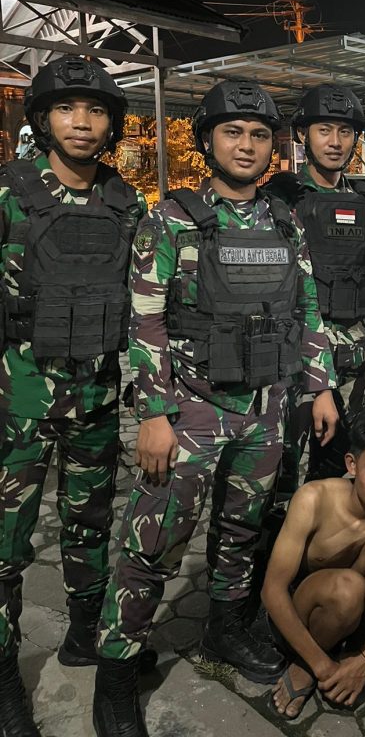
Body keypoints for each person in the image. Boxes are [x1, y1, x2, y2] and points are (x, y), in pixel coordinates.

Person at [92, 79, 339, 737]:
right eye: (233, 132)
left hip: (266, 407)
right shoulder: (170, 219)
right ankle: (117, 673)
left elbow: (308, 307)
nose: (247, 145)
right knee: (151, 545)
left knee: (241, 533)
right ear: (207, 141)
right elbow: (145, 321)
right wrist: (154, 412)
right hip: (191, 412)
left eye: (258, 135)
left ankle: (223, 630)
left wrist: (321, 386)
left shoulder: (285, 222)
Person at [0, 56, 146, 737]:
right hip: (19, 400)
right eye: (66, 108)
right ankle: (4, 674)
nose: (82, 122)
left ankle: (85, 633)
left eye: (95, 110)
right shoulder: (8, 192)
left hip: (96, 397)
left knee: (90, 525)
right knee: (7, 544)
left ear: (112, 124)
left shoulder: (126, 200)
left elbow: (143, 295)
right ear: (42, 119)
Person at [265, 84, 365, 485]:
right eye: (324, 130)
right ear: (303, 134)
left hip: (352, 357)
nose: (335, 142)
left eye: (345, 131)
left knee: (337, 471)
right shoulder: (278, 199)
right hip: (293, 356)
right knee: (279, 472)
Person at [261, 402, 365, 719]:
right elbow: (272, 591)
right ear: (352, 464)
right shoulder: (314, 499)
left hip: (358, 608)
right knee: (347, 587)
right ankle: (304, 664)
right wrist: (322, 667)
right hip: (306, 612)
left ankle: (357, 644)